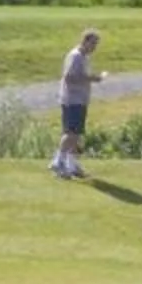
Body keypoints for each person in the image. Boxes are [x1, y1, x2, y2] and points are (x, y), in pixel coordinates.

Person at [53, 29, 102, 179]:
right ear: (85, 41)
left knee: (76, 134)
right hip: (72, 100)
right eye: (93, 43)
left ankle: (72, 164)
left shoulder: (83, 57)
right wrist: (91, 79)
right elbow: (69, 77)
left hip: (80, 99)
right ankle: (58, 161)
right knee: (70, 133)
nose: (94, 47)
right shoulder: (75, 56)